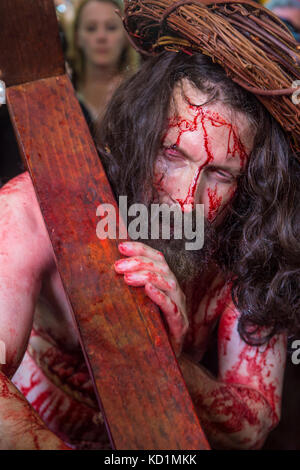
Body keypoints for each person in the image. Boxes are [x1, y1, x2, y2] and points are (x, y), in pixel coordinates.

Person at [0, 0, 299, 450]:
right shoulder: (33, 207)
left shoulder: (251, 246)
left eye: (220, 174)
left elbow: (254, 422)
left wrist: (172, 359)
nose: (185, 200)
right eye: (172, 154)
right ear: (140, 131)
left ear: (252, 180)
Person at [67, 0, 139, 130]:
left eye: (111, 27)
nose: (101, 37)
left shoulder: (140, 94)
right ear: (77, 37)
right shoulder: (64, 92)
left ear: (125, 36)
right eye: (91, 28)